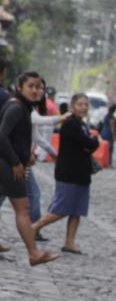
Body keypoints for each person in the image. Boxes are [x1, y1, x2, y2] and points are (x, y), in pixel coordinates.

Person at [0, 71, 58, 265]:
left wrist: (26, 157)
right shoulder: (16, 107)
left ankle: (34, 252)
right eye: (31, 86)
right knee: (23, 209)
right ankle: (34, 253)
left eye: (39, 87)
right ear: (20, 87)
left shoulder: (23, 107)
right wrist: (16, 162)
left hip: (10, 163)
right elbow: (2, 136)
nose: (35, 90)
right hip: (8, 166)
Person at [32, 93, 100, 254]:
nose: (83, 107)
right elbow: (88, 143)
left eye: (86, 104)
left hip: (81, 173)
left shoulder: (82, 124)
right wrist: (94, 141)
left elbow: (88, 145)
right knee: (61, 209)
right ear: (72, 107)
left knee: (77, 210)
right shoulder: (71, 124)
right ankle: (33, 228)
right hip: (69, 173)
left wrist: (91, 142)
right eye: (80, 104)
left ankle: (70, 242)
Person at [100, 103, 116, 168]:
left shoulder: (106, 116)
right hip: (108, 134)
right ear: (114, 110)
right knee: (110, 149)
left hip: (104, 133)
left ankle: (103, 162)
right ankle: (109, 163)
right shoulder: (111, 117)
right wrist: (114, 136)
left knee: (105, 148)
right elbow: (112, 127)